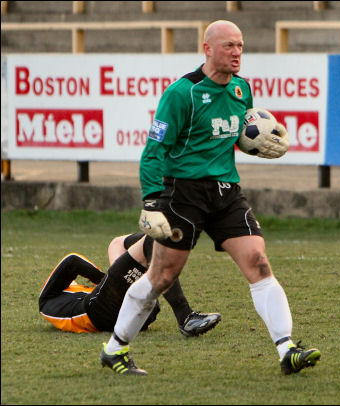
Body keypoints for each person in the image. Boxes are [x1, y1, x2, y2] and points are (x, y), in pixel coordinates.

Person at [99, 20, 321, 376]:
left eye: (241, 46)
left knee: (259, 263)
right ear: (208, 49)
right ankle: (116, 349)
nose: (237, 53)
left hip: (226, 192)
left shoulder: (241, 90)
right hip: (183, 194)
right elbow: (154, 151)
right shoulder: (181, 93)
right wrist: (153, 202)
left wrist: (256, 144)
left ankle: (287, 349)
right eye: (229, 46)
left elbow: (230, 136)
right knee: (162, 277)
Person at [40, 232, 221, 339]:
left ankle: (165, 239)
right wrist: (106, 278)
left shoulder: (75, 295)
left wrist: (116, 276)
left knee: (124, 243)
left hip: (129, 315)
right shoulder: (48, 299)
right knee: (150, 240)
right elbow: (72, 262)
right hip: (97, 311)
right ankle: (186, 317)